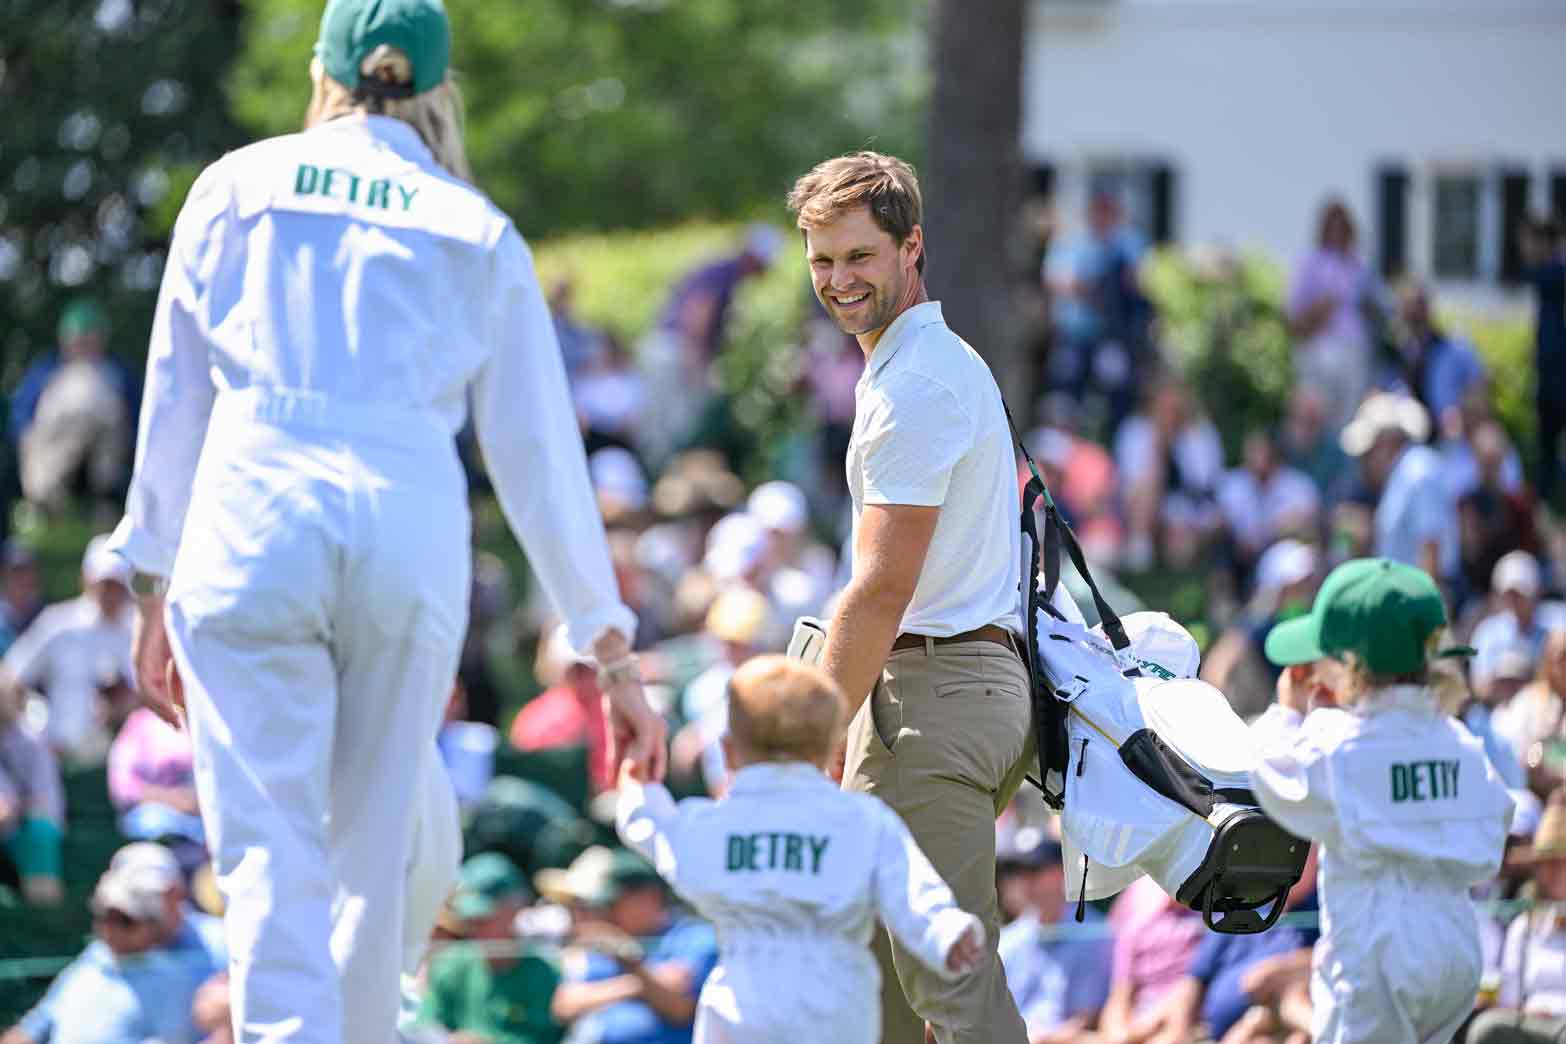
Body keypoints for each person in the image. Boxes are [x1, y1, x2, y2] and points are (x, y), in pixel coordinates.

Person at [104, 3, 667, 1041]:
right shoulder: (474, 226)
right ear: (436, 91)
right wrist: (610, 649)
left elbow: (173, 400)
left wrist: (148, 580)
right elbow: (542, 460)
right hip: (403, 514)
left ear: (323, 74)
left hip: (253, 503)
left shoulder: (233, 187)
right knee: (373, 855)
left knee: (272, 854)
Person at [787, 150, 1032, 1043]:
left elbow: (885, 588)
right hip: (935, 695)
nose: (838, 280)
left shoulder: (915, 385)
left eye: (858, 256)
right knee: (878, 992)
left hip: (929, 703)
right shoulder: (916, 365)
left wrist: (807, 734)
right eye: (821, 259)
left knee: (955, 993)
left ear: (910, 247)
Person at [615, 655, 984, 1044]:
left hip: (742, 1004)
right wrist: (944, 931)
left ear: (727, 752)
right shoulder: (861, 819)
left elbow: (651, 827)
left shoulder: (713, 824)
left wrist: (638, 785)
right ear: (830, 750)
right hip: (838, 1002)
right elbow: (909, 886)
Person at [1253, 557, 1515, 1044]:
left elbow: (1272, 777)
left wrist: (1286, 711)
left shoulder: (1338, 743)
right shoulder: (1458, 740)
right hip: (1456, 945)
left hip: (1379, 949)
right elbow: (1496, 825)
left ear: (1350, 663)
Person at [2, 841, 226, 1044]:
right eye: (105, 916)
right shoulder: (99, 953)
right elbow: (33, 1027)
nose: (110, 930)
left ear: (175, 893)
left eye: (125, 920)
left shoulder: (219, 944)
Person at [544, 846, 719, 1044]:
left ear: (648, 897)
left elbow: (679, 1009)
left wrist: (629, 962)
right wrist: (640, 984)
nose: (603, 913)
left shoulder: (696, 937)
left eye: (611, 903)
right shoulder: (610, 942)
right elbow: (565, 1005)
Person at [2, 534, 136, 763]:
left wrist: (124, 704)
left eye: (117, 584)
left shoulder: (138, 629)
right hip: (61, 759)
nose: (111, 593)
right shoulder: (58, 624)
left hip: (125, 764)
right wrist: (34, 725)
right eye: (105, 584)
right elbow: (11, 678)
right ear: (87, 580)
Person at [415, 853, 564, 1044]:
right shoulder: (450, 965)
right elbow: (423, 1027)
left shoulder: (543, 973)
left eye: (484, 918)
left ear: (514, 910)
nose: (475, 927)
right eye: (469, 919)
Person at [8, 297, 139, 514]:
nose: (84, 345)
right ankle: (43, 503)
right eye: (79, 339)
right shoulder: (46, 369)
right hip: (54, 445)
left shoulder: (117, 371)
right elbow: (22, 415)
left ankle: (105, 501)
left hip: (105, 451)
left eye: (90, 338)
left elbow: (134, 416)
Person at [995, 835, 1113, 1044]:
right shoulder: (1009, 939)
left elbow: (1086, 1020)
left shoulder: (1093, 935)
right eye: (1019, 872)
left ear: (1061, 873)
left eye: (1034, 870)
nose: (1025, 881)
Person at [1470, 790, 1566, 1044]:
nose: (1554, 872)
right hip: (1533, 1025)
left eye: (1561, 863)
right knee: (1486, 1029)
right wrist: (1527, 1013)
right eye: (1547, 863)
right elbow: (1509, 1000)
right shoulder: (1525, 925)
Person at [1337, 392, 1458, 586]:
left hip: (1423, 600)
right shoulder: (1404, 474)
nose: (1365, 462)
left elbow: (1431, 544)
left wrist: (1425, 611)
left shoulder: (1418, 471)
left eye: (1369, 452)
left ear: (1387, 443)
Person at [1287, 199, 1379, 433]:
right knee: (1318, 413)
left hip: (1354, 350)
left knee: (1349, 419)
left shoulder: (1359, 266)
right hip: (1321, 347)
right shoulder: (1310, 262)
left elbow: (1375, 307)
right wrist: (1319, 309)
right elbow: (1294, 315)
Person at [0, 671, 63, 905]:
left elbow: (46, 801)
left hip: (26, 826)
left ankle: (43, 910)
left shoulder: (32, 741)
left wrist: (14, 810)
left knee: (40, 830)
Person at [1519, 218, 1566, 505]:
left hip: (1560, 378)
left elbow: (1533, 274)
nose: (1525, 249)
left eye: (1530, 242)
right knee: (1546, 452)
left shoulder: (1556, 273)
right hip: (1549, 377)